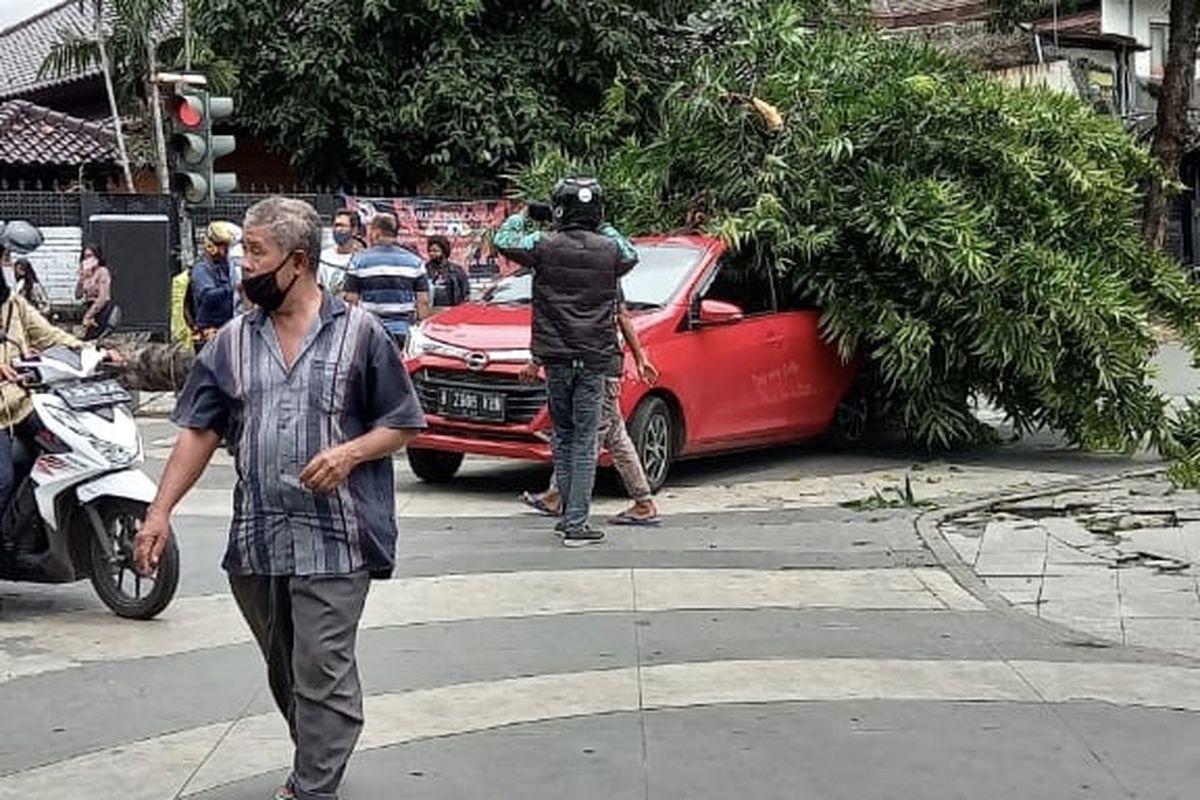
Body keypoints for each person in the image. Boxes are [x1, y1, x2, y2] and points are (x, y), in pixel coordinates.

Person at [131, 196, 426, 800]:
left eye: (256, 254)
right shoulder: (232, 343)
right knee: (285, 667)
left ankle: (313, 785)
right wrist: (160, 511)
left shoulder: (361, 335)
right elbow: (198, 429)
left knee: (321, 667)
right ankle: (316, 753)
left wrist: (349, 454)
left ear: (298, 262)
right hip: (260, 538)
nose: (244, 267)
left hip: (338, 537)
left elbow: (402, 422)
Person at [495, 177, 638, 546]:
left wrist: (527, 213)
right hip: (594, 357)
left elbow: (504, 240)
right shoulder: (610, 249)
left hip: (554, 357)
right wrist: (600, 223)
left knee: (564, 436)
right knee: (586, 439)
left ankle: (568, 516)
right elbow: (630, 253)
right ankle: (576, 522)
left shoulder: (543, 245)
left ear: (559, 209)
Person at [523, 299, 661, 525]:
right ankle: (642, 500)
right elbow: (621, 317)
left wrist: (536, 360)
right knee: (613, 436)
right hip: (605, 367)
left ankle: (562, 500)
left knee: (588, 440)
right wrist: (639, 358)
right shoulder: (606, 272)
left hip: (597, 369)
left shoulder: (588, 275)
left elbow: (560, 321)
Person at [342, 213, 430, 349]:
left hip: (370, 333)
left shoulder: (358, 261)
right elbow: (423, 301)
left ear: (376, 233)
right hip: (404, 334)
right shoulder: (415, 262)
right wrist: (420, 329)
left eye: (370, 231)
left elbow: (350, 300)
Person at [188, 221, 239, 352]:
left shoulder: (226, 267)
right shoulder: (202, 269)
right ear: (212, 246)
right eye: (224, 247)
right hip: (210, 334)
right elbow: (206, 296)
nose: (226, 251)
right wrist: (233, 288)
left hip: (226, 331)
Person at [75, 243, 116, 340]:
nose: (88, 260)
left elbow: (102, 297)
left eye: (90, 256)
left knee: (93, 340)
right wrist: (82, 279)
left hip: (100, 310)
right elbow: (78, 295)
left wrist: (88, 315)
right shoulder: (87, 274)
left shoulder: (102, 272)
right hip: (89, 307)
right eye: (85, 257)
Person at [318, 208, 363, 295]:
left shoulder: (362, 259)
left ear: (354, 230)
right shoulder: (323, 257)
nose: (338, 229)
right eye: (336, 225)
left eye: (342, 226)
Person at [424, 234, 471, 308]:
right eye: (430, 251)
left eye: (435, 251)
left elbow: (465, 294)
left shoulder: (457, 271)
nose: (432, 254)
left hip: (451, 312)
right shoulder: (424, 270)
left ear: (444, 251)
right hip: (430, 312)